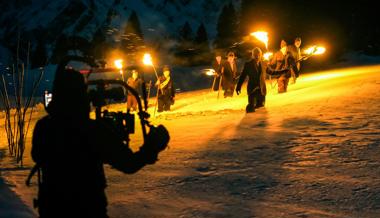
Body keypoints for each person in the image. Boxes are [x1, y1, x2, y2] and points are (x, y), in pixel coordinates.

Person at [30, 67, 169, 218]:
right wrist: (150, 147)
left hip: (52, 209)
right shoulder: (93, 131)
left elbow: (37, 156)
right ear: (81, 96)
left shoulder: (43, 127)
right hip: (89, 209)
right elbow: (128, 163)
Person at [236, 47, 267, 113]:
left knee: (261, 108)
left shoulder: (263, 64)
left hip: (261, 91)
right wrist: (238, 87)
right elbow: (242, 76)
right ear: (253, 55)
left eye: (259, 55)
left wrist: (284, 71)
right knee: (251, 109)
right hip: (252, 90)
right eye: (256, 55)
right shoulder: (248, 65)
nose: (257, 56)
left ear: (261, 55)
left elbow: (271, 71)